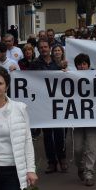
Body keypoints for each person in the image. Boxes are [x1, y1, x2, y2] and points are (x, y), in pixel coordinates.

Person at [30, 39, 67, 173]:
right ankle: (51, 162)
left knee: (59, 133)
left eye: (46, 47)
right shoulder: (34, 64)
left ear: (49, 48)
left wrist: (65, 70)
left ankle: (62, 159)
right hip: (42, 103)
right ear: (38, 49)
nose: (44, 49)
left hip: (57, 102)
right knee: (47, 135)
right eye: (41, 47)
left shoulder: (57, 63)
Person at [72, 54, 96, 186]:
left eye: (84, 64)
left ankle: (89, 173)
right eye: (79, 64)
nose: (82, 67)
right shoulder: (71, 76)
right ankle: (81, 166)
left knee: (91, 148)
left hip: (93, 119)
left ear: (88, 65)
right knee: (77, 149)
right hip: (77, 120)